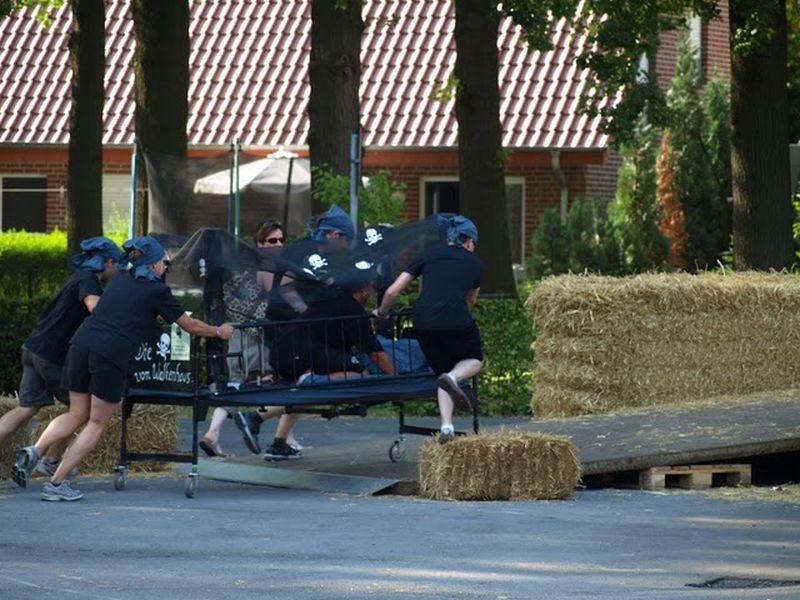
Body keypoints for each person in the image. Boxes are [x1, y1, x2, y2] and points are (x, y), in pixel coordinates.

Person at [11, 236, 235, 501]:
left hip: (80, 345)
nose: (165, 266)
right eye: (164, 262)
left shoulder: (120, 280)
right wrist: (219, 331)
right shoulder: (157, 291)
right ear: (153, 265)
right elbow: (191, 326)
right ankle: (56, 484)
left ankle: (36, 450)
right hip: (109, 353)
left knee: (76, 413)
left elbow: (128, 309)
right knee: (96, 422)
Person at [235, 271, 395, 460]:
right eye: (371, 288)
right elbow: (375, 353)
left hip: (286, 350)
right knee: (361, 373)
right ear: (364, 290)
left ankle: (279, 443)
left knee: (301, 393)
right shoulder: (353, 309)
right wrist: (395, 377)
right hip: (303, 353)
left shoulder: (332, 300)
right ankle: (256, 417)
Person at [0, 236, 122, 476]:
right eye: (117, 264)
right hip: (52, 355)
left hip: (33, 347)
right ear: (108, 262)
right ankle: (50, 460)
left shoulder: (77, 277)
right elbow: (94, 307)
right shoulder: (89, 280)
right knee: (81, 411)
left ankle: (49, 460)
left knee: (26, 409)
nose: (117, 270)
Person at [373, 214, 483, 443]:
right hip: (456, 318)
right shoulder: (475, 262)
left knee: (442, 373)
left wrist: (382, 312)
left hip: (423, 322)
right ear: (468, 241)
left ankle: (446, 427)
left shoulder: (429, 254)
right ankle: (453, 377)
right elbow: (471, 301)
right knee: (474, 361)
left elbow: (392, 291)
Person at [199, 220, 285, 458]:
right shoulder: (266, 268)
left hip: (237, 333)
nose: (278, 244)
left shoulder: (245, 267)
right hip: (256, 338)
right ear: (260, 243)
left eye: (281, 240)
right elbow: (277, 301)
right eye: (272, 240)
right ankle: (269, 431)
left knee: (235, 385)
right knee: (281, 384)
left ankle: (212, 434)